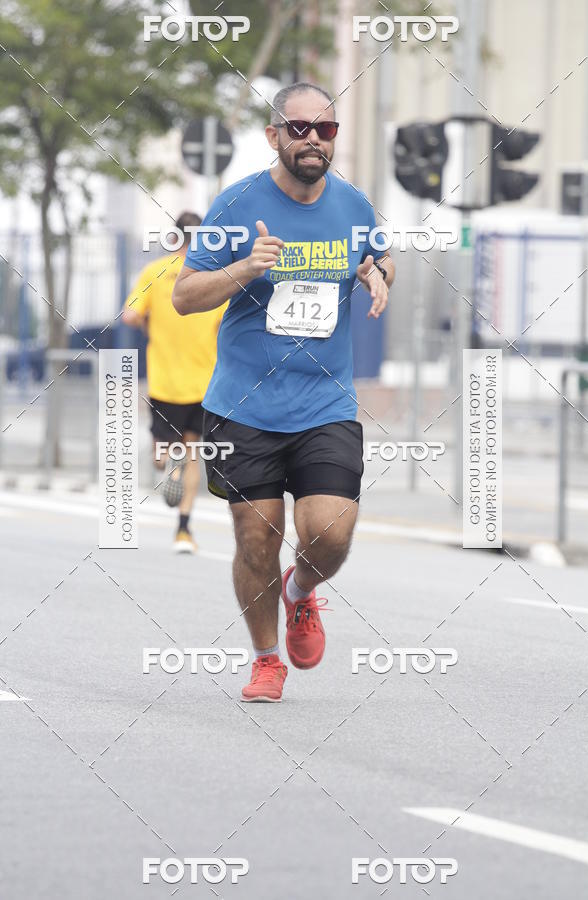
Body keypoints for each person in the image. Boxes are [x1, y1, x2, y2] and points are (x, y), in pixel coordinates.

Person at [172, 83, 394, 698]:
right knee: (256, 537)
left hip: (325, 402)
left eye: (326, 129)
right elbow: (184, 296)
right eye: (299, 129)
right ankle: (266, 659)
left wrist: (377, 274)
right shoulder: (236, 205)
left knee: (331, 532)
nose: (313, 140)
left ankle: (301, 591)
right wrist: (245, 267)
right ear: (274, 136)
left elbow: (379, 257)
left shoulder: (354, 205)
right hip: (244, 406)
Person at [122, 212, 227, 554]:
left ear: (174, 237)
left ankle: (170, 465)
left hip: (164, 381)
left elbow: (130, 315)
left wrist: (149, 324)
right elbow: (226, 325)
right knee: (192, 452)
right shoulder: (212, 278)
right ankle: (183, 530)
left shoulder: (155, 272)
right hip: (204, 382)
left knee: (160, 453)